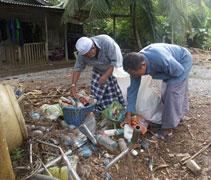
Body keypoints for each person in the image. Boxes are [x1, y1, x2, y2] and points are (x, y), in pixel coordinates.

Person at [120, 43, 192, 141]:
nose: (135, 76)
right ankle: (176, 116)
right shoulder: (135, 65)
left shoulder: (161, 59)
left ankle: (168, 130)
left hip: (182, 62)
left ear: (143, 65)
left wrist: (162, 78)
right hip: (171, 66)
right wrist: (128, 115)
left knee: (172, 93)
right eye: (132, 74)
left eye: (135, 74)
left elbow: (178, 71)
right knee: (165, 94)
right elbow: (132, 90)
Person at [71, 34, 125, 115]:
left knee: (113, 95)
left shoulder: (107, 43)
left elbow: (115, 62)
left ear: (93, 48)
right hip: (98, 70)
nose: (87, 58)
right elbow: (78, 68)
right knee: (96, 96)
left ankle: (116, 111)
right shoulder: (83, 52)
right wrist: (73, 85)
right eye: (85, 56)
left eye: (88, 55)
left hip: (113, 69)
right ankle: (100, 112)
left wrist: (106, 76)